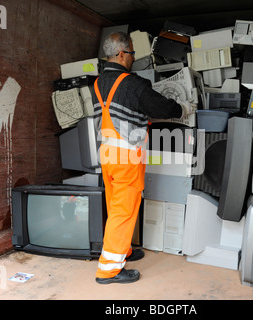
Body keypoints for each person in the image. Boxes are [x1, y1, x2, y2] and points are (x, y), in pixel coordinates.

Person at [91, 32, 193, 284]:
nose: (134, 59)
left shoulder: (97, 83)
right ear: (123, 54)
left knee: (116, 207)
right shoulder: (132, 83)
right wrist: (183, 108)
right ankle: (109, 270)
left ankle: (122, 250)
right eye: (134, 54)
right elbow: (160, 108)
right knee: (124, 212)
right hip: (126, 157)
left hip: (107, 155)